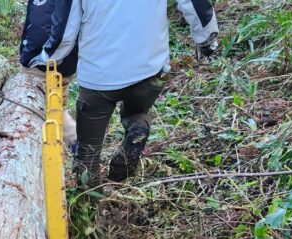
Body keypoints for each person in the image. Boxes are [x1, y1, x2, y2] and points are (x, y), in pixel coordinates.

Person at [30, 0, 220, 187]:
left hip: (99, 75)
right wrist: (207, 39)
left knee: (88, 151)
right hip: (150, 67)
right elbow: (195, 4)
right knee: (136, 111)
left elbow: (66, 29)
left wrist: (48, 58)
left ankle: (88, 199)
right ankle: (138, 124)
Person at [18, 0, 79, 149]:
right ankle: (62, 149)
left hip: (45, 65)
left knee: (32, 111)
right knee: (55, 110)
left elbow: (47, 29)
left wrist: (36, 58)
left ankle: (79, 146)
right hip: (54, 61)